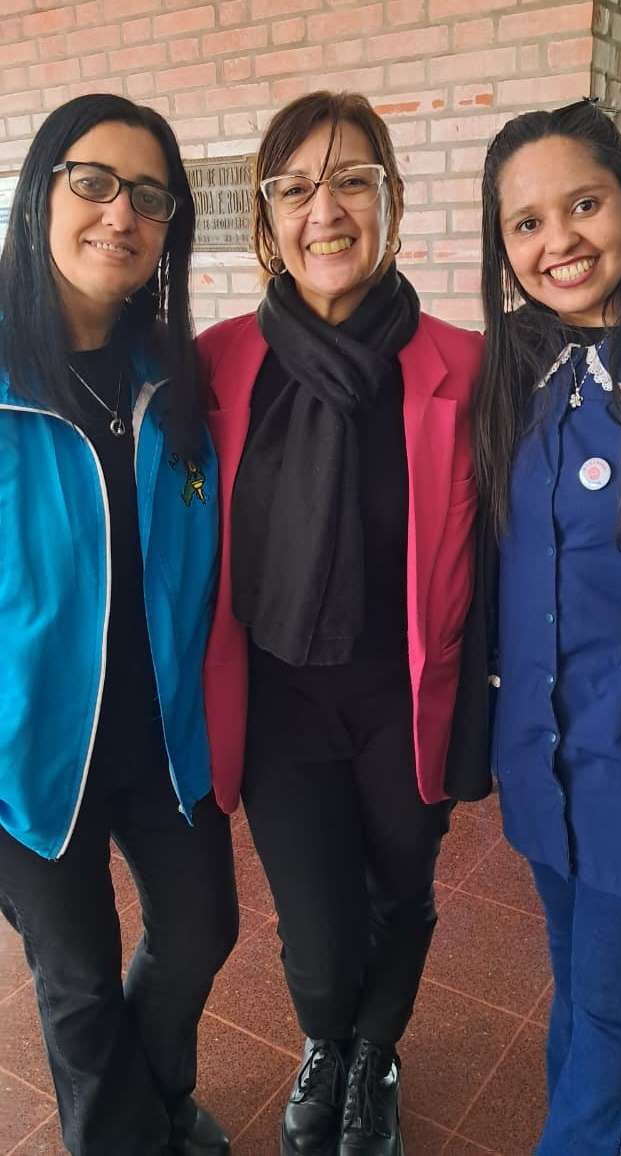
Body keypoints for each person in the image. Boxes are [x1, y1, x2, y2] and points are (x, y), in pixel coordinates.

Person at [198, 90, 482, 1156]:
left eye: (353, 180)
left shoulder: (462, 364)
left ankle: (375, 1054)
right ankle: (327, 1035)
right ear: (266, 220)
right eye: (296, 188)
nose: (326, 209)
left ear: (391, 200)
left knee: (401, 892)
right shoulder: (218, 364)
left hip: (404, 696)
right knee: (315, 927)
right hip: (278, 697)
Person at [446, 98, 621, 1155]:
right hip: (540, 764)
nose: (557, 240)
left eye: (584, 204)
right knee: (580, 983)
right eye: (526, 222)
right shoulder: (515, 365)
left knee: (604, 1005)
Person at [0, 94, 239, 1156]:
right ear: (39, 194)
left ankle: (158, 1100)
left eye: (150, 196)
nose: (120, 215)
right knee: (79, 981)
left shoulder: (174, 379)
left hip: (162, 736)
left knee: (201, 931)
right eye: (92, 182)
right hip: (27, 754)